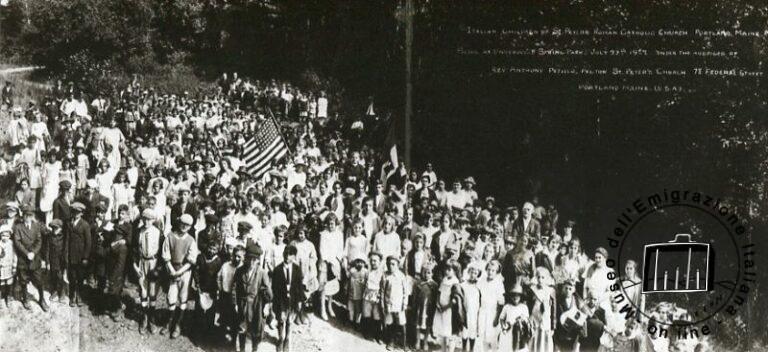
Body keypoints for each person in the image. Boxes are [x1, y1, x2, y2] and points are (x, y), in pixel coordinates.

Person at [160, 213, 199, 339]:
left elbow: (191, 260)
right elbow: (165, 255)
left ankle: (178, 324)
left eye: (187, 225)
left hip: (185, 271)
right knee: (171, 297)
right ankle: (168, 322)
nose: (184, 227)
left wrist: (180, 271)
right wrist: (172, 270)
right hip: (172, 269)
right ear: (179, 223)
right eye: (183, 224)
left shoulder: (191, 240)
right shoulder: (170, 237)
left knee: (183, 298)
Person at [233, 243, 273, 352]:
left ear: (258, 261)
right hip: (243, 303)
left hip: (256, 305)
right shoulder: (240, 270)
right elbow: (234, 287)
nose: (251, 262)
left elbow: (268, 292)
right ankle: (242, 349)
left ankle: (254, 349)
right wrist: (235, 303)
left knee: (256, 330)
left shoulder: (262, 273)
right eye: (249, 259)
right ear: (246, 258)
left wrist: (267, 306)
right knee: (242, 328)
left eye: (254, 260)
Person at [14, 205, 49, 311]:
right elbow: (17, 242)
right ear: (23, 216)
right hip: (23, 259)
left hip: (34, 258)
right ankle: (25, 299)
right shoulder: (18, 227)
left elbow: (39, 241)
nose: (28, 217)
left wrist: (33, 253)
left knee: (39, 281)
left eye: (30, 215)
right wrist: (26, 253)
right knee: (23, 280)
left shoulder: (36, 226)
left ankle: (42, 299)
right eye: (26, 215)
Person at [272, 244, 304, 352]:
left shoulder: (297, 269)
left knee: (290, 320)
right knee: (281, 319)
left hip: (293, 300)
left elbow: (299, 287)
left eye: (290, 255)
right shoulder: (277, 269)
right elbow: (275, 289)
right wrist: (276, 303)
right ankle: (280, 338)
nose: (287, 256)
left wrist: (300, 300)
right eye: (285, 254)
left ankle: (287, 338)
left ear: (294, 256)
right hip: (281, 300)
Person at [135, 208, 162, 334]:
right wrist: (135, 266)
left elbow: (162, 252)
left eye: (149, 219)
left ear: (153, 220)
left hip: (153, 263)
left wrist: (158, 268)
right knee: (143, 292)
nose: (146, 222)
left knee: (152, 293)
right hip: (142, 263)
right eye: (144, 219)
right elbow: (134, 251)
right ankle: (144, 318)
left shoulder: (158, 233)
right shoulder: (139, 232)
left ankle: (152, 318)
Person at [433, 259, 462, 352]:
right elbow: (439, 292)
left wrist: (445, 307)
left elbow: (455, 300)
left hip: (449, 311)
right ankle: (443, 349)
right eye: (446, 269)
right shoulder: (444, 280)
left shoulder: (455, 283)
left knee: (450, 333)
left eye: (449, 270)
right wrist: (437, 303)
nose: (446, 271)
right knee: (442, 331)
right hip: (440, 309)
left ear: (455, 271)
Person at [381, 255, 408, 350]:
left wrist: (404, 303)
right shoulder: (385, 275)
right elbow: (382, 291)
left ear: (397, 265)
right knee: (390, 323)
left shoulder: (401, 276)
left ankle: (404, 343)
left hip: (399, 305)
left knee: (401, 323)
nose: (390, 266)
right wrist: (382, 304)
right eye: (389, 264)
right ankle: (391, 341)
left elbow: (405, 291)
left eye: (393, 264)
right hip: (389, 304)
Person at [218, 245, 245, 343]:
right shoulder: (226, 265)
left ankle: (233, 340)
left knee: (235, 319)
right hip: (225, 294)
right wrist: (220, 289)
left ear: (243, 257)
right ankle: (222, 338)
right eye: (235, 256)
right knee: (224, 317)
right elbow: (219, 277)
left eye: (239, 256)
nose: (236, 258)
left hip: (236, 297)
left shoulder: (243, 268)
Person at [477, 260, 505, 352]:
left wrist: (497, 318)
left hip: (493, 313)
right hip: (482, 311)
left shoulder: (498, 283)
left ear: (496, 272)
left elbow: (501, 303)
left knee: (492, 337)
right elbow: (478, 295)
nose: (490, 272)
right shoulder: (482, 281)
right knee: (482, 334)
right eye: (489, 270)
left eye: (493, 270)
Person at [498, 283, 531, 352]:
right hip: (508, 331)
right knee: (507, 347)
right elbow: (501, 318)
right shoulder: (507, 307)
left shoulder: (524, 307)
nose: (515, 298)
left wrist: (522, 320)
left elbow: (527, 320)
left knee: (519, 348)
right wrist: (504, 326)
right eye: (513, 296)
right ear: (510, 296)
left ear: (521, 297)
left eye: (517, 296)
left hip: (519, 332)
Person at [362, 251, 384, 342]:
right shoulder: (368, 272)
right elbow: (365, 283)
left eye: (375, 261)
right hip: (367, 295)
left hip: (376, 296)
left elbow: (383, 286)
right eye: (371, 260)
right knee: (367, 313)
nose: (373, 263)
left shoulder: (382, 273)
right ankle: (367, 332)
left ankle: (377, 335)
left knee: (376, 315)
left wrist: (379, 296)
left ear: (379, 262)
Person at [461, 264, 482, 352]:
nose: (473, 275)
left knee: (473, 328)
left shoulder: (479, 285)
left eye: (475, 273)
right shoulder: (463, 284)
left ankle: (472, 348)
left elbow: (481, 297)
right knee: (464, 329)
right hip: (465, 309)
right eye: (471, 272)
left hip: (475, 311)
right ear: (468, 272)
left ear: (478, 274)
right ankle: (464, 347)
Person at [46, 219, 67, 303]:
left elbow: (66, 250)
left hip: (61, 260)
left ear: (61, 228)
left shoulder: (64, 237)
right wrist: (47, 262)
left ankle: (62, 292)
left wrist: (65, 261)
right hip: (52, 260)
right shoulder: (49, 237)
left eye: (56, 228)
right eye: (53, 228)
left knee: (60, 276)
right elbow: (47, 250)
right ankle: (54, 291)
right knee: (53, 276)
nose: (54, 230)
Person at [346, 257, 368, 327]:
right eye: (358, 262)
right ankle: (350, 320)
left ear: (364, 263)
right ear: (355, 262)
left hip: (360, 293)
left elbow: (367, 282)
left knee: (358, 309)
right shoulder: (352, 271)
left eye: (361, 262)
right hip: (351, 292)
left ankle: (357, 322)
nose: (359, 264)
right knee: (350, 308)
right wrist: (346, 288)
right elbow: (348, 280)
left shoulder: (365, 272)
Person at [0, 224, 17, 308]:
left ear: (10, 236)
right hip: (1, 267)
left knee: (9, 281)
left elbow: (14, 255)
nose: (5, 237)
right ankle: (2, 298)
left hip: (9, 266)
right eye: (3, 235)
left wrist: (14, 265)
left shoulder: (11, 244)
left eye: (7, 236)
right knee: (2, 282)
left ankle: (9, 297)